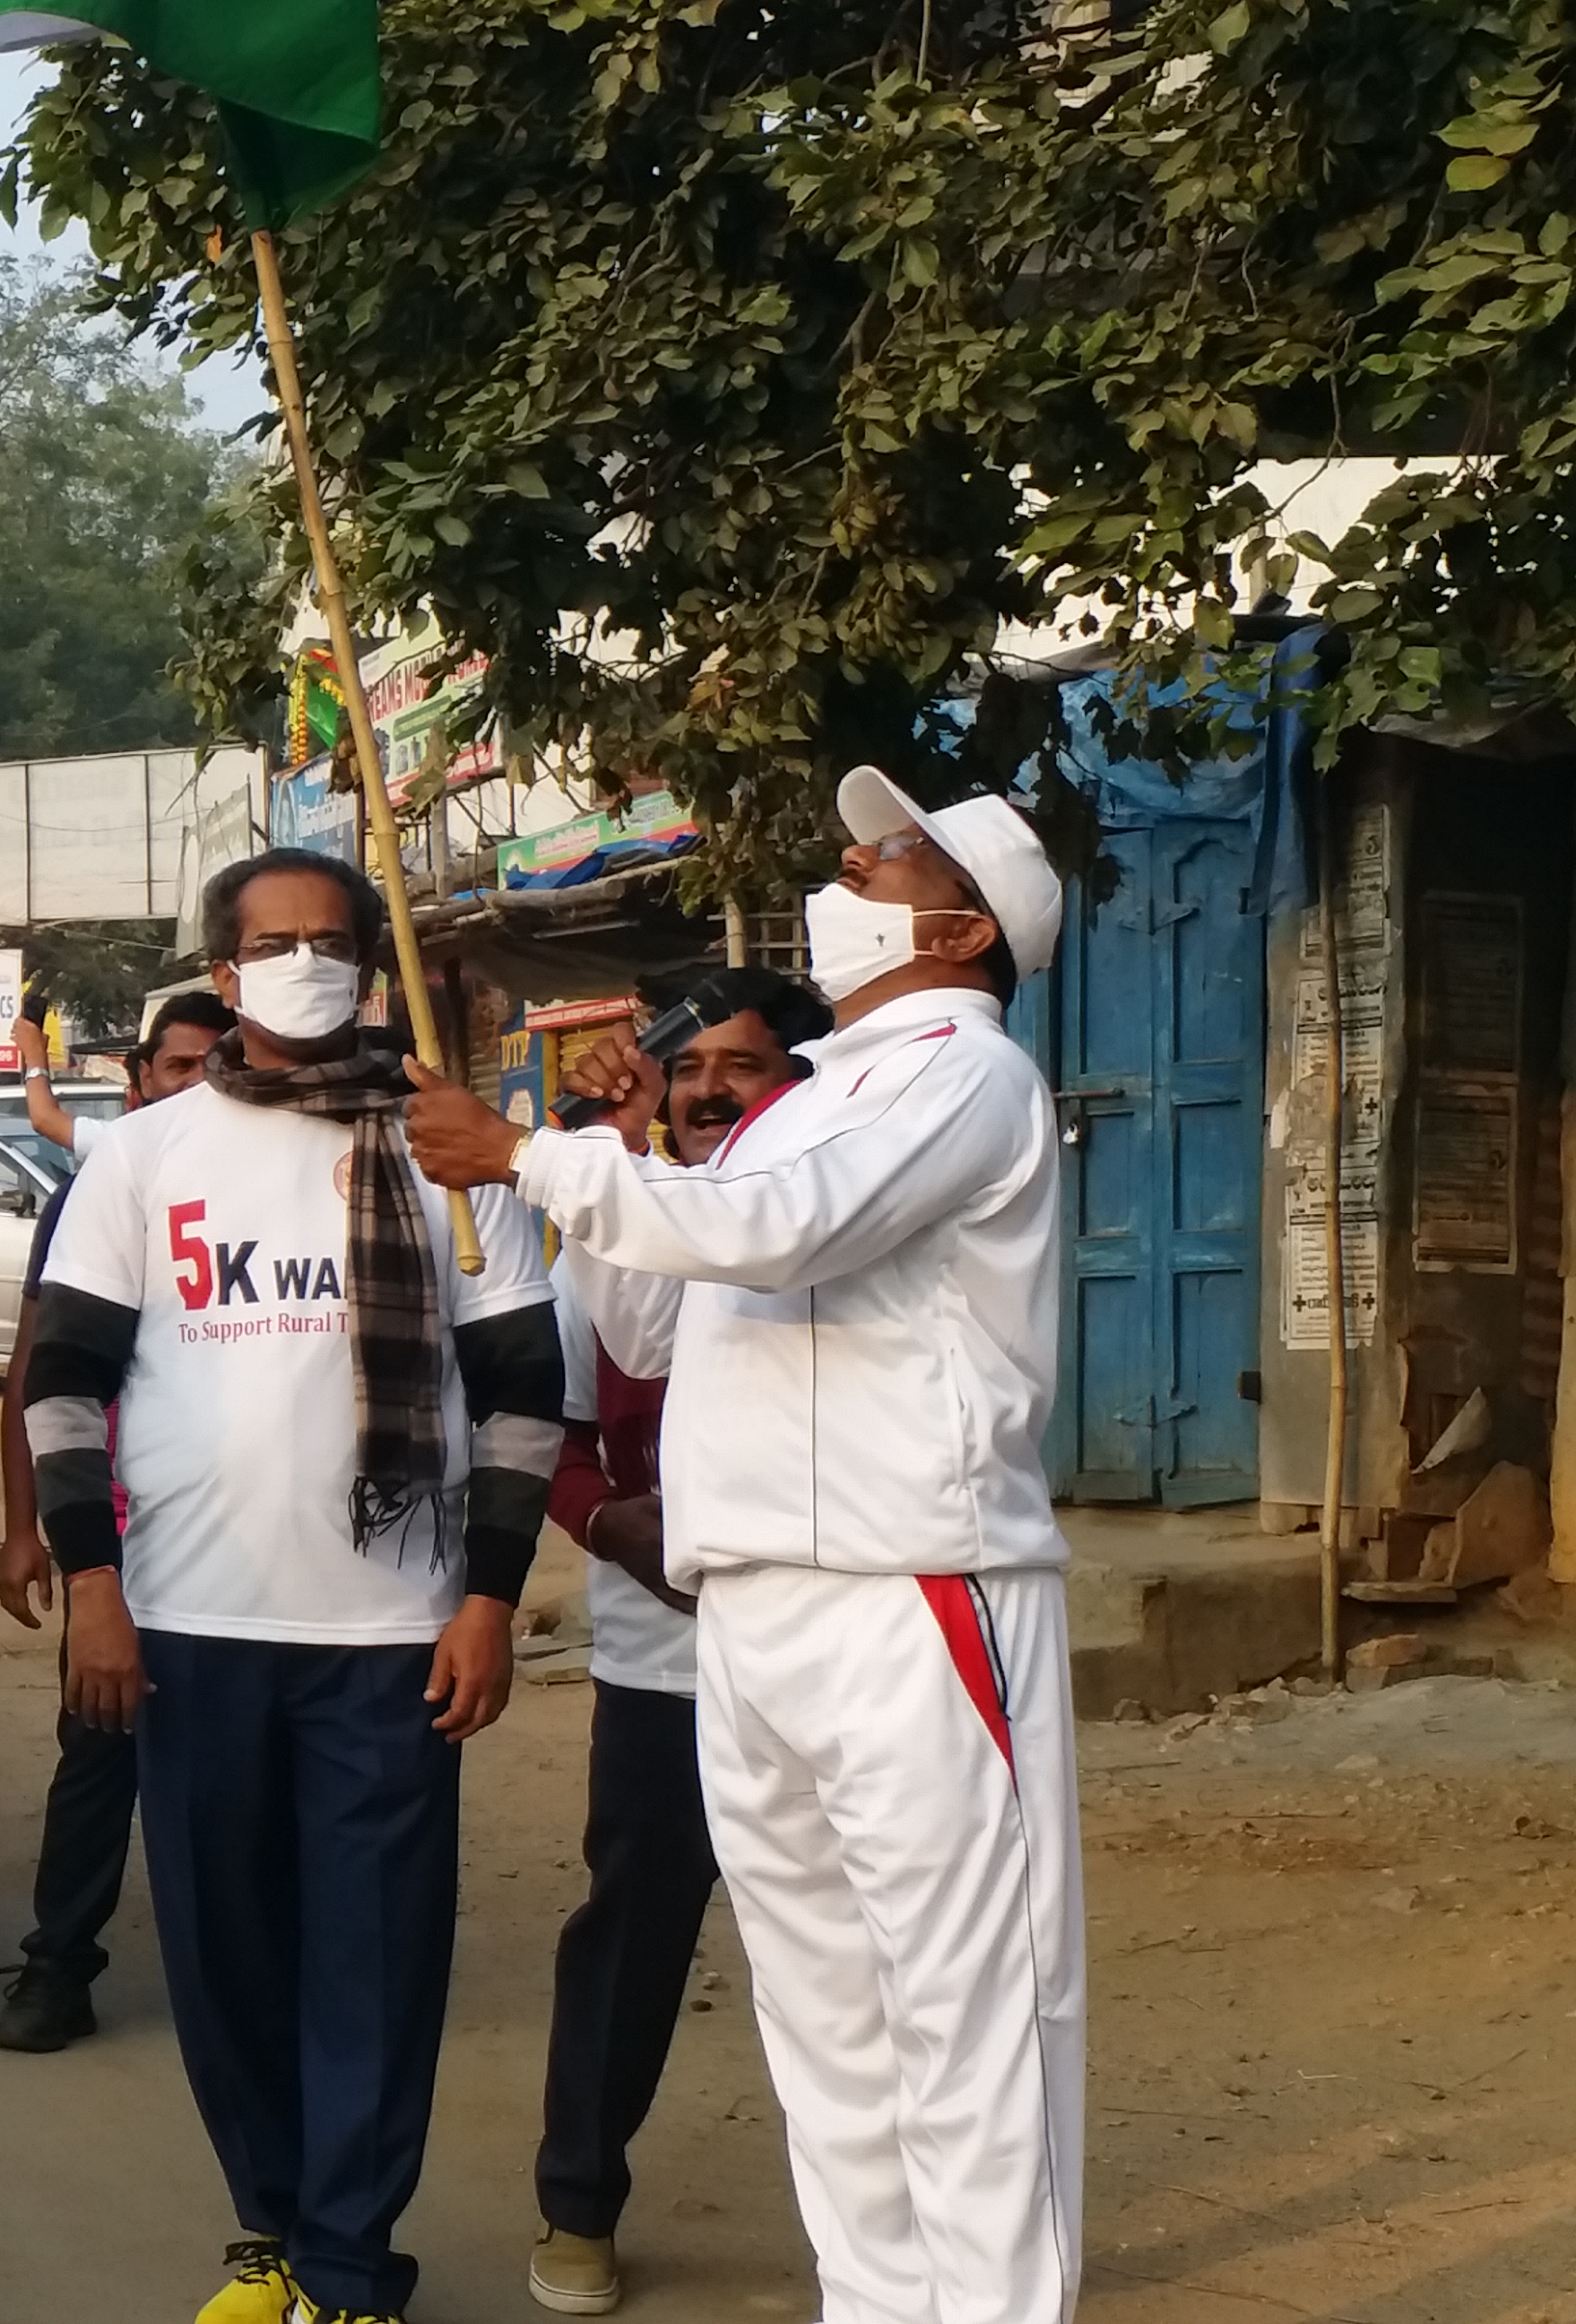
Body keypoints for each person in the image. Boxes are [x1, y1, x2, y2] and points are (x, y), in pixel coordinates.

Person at [403, 768, 1080, 2324]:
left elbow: (774, 1224)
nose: (848, 860)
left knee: (967, 2019)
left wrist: (532, 1157)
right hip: (756, 1605)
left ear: (961, 925)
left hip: (910, 1594)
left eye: (888, 854)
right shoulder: (824, 1087)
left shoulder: (955, 1071)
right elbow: (675, 1297)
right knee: (826, 2020)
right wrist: (601, 1168)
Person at [21, 847, 566, 2324]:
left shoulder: (447, 1152)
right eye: (276, 943)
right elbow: (62, 1385)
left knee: (376, 1968)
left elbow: (522, 1398)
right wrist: (91, 1584)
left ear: (368, 970)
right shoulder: (139, 1160)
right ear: (222, 975)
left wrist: (487, 1598)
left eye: (332, 941)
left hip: (391, 1633)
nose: (308, 963)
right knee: (223, 1953)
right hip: (193, 1624)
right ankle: (268, 2226)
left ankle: (349, 2267)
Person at [519, 965, 827, 2318]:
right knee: (634, 1935)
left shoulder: (840, 1230)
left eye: (741, 1069)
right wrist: (613, 1531)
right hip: (662, 1671)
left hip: (828, 1656)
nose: (707, 1089)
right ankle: (577, 2206)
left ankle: (886, 2236)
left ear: (799, 1091)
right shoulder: (631, 1230)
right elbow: (571, 1433)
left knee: (849, 1950)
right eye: (688, 1067)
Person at [0, 991, 221, 2054]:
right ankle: (57, 1964)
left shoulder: (301, 1189)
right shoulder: (96, 1194)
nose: (202, 1084)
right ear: (138, 1084)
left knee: (240, 1770)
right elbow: (38, 1374)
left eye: (221, 1063)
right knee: (98, 1752)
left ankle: (240, 1976)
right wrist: (26, 1527)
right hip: (114, 1542)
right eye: (180, 1068)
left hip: (249, 1544)